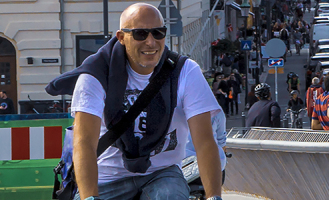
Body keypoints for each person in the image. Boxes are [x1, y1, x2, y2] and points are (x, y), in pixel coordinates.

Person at [47, 3, 223, 200]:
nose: (151, 42)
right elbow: (84, 142)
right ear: (121, 37)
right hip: (105, 177)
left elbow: (205, 141)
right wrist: (89, 197)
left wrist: (214, 197)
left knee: (168, 195)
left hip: (161, 173)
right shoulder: (95, 75)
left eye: (158, 33)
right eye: (141, 34)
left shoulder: (185, 71)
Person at [185, 110, 228, 184]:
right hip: (212, 167)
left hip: (185, 168)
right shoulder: (217, 111)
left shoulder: (178, 109)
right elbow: (221, 141)